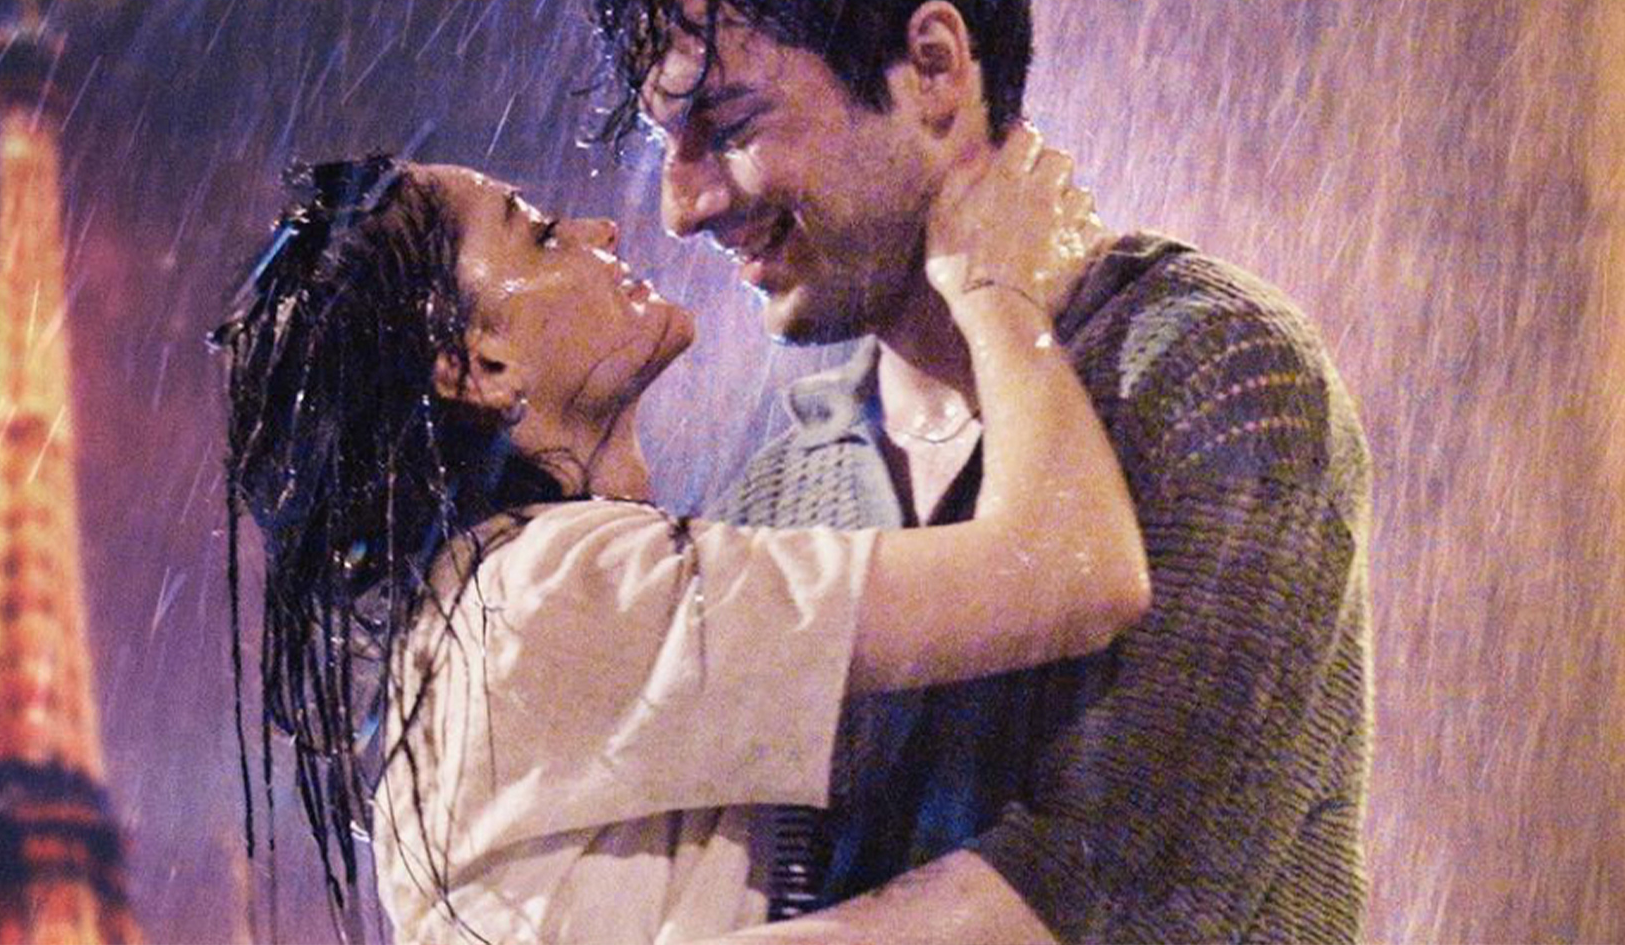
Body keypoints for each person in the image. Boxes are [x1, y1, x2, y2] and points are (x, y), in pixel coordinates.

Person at [588, 0, 1374, 942]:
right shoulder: (785, 484)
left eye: (724, 121)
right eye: (663, 144)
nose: (681, 206)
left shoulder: (1214, 371)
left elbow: (1121, 896)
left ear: (933, 68)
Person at [213, 146, 1150, 943]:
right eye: (541, 236)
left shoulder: (481, 617)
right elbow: (1073, 572)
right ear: (479, 366)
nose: (603, 231)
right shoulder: (547, 594)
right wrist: (994, 287)